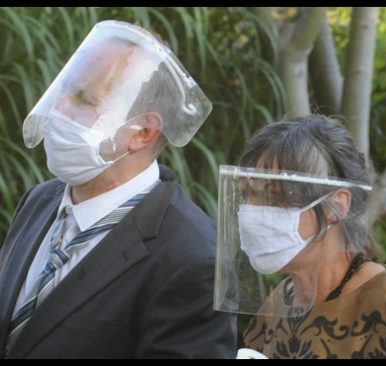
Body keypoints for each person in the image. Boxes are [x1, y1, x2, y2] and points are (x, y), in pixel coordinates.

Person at [0, 20, 236, 359]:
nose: (58, 108)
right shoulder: (40, 201)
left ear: (143, 133)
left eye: (84, 99)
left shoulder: (193, 260)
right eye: (64, 89)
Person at [214, 114, 386, 359]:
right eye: (247, 196)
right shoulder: (278, 303)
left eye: (274, 197)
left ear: (335, 206)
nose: (252, 212)